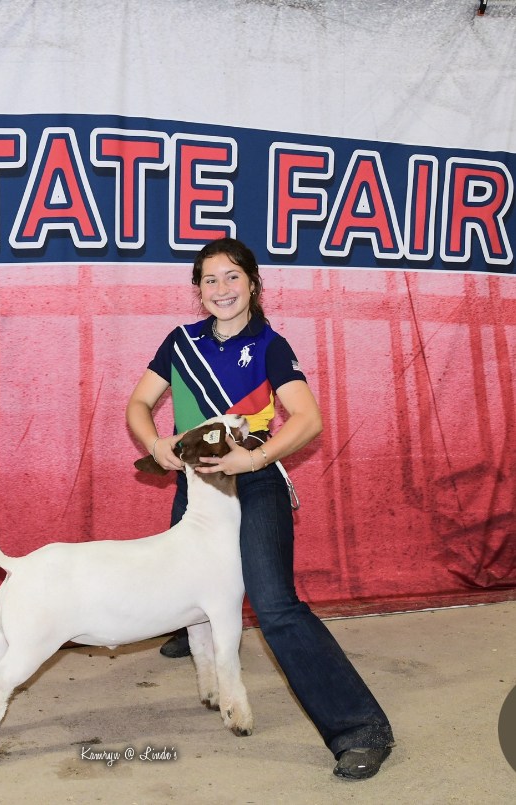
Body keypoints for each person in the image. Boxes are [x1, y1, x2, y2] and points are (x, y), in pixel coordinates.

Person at [125, 238, 395, 780]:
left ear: (252, 283)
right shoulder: (180, 342)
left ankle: (360, 728)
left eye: (231, 277)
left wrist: (256, 458)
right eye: (209, 280)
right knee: (186, 584)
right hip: (196, 488)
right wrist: (155, 444)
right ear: (197, 290)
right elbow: (137, 403)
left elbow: (306, 418)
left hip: (252, 482)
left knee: (273, 605)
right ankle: (192, 628)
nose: (221, 289)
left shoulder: (270, 344)